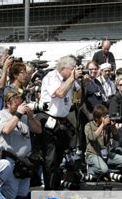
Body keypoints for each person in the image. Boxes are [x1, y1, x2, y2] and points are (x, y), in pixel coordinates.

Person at [39, 55, 82, 190]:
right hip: (49, 119)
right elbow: (59, 93)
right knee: (50, 158)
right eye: (72, 68)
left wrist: (77, 92)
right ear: (64, 68)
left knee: (59, 157)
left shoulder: (69, 79)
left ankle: (56, 186)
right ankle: (49, 188)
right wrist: (71, 79)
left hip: (63, 120)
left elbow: (78, 91)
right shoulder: (50, 77)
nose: (74, 71)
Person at [0, 91, 42, 199]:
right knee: (11, 195)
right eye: (16, 105)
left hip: (26, 161)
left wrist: (31, 117)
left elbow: (38, 130)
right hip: (11, 161)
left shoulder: (24, 116)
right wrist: (18, 114)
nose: (19, 107)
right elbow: (6, 130)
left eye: (20, 104)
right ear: (8, 103)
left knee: (23, 194)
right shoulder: (1, 115)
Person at [84, 105, 122, 181]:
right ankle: (91, 169)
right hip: (93, 155)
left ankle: (104, 170)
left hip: (106, 154)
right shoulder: (89, 125)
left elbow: (117, 138)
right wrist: (102, 125)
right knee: (104, 170)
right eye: (103, 117)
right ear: (97, 118)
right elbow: (92, 138)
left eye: (106, 116)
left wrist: (113, 127)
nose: (106, 118)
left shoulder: (108, 126)